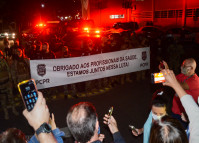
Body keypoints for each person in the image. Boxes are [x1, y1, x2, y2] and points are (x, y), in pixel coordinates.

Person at [160, 69, 199, 143]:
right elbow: (173, 79)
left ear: (191, 68)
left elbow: (194, 111)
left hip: (183, 114)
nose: (182, 67)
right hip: (178, 112)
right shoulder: (182, 75)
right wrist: (167, 71)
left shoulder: (195, 80)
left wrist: (174, 83)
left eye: (185, 66)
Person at [0, 50, 18, 120]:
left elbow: (9, 71)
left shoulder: (5, 62)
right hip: (1, 85)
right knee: (3, 100)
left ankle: (13, 110)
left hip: (7, 83)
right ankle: (6, 113)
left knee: (11, 98)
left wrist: (11, 81)